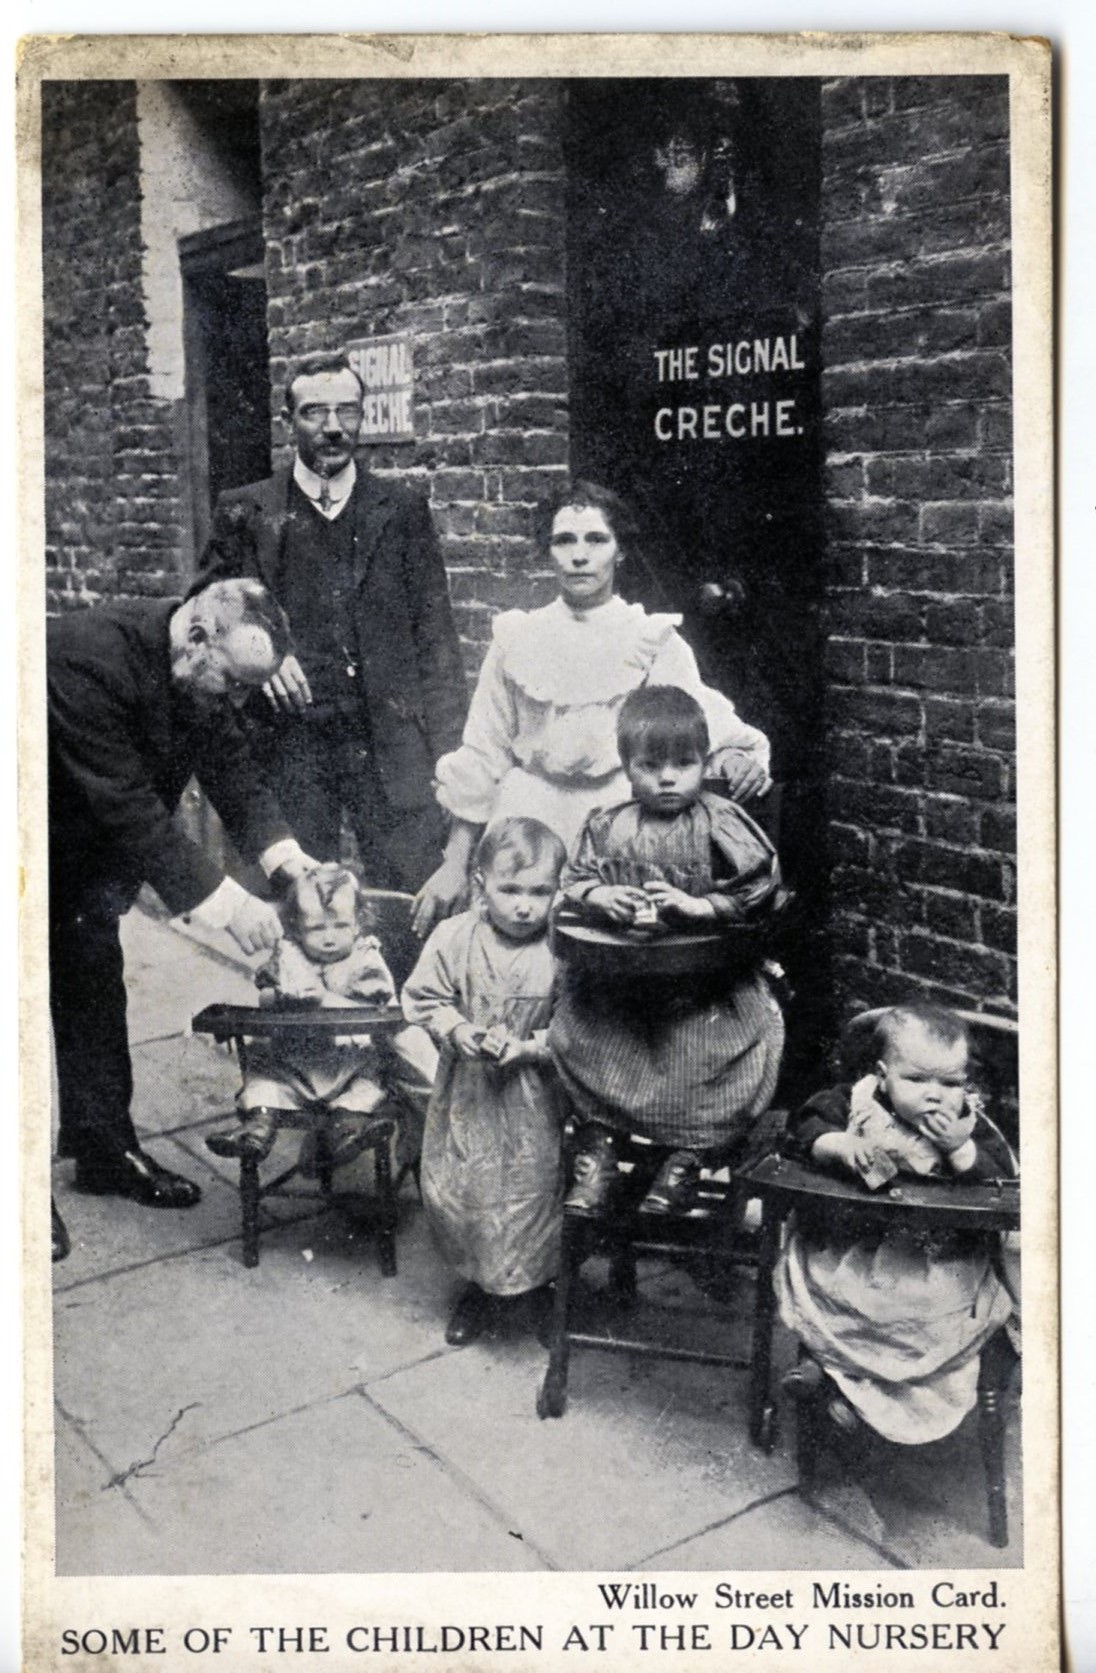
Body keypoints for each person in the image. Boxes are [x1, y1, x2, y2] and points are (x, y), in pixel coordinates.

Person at [48, 578, 315, 1256]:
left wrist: (289, 865)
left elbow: (232, 769)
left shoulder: (203, 673)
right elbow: (130, 808)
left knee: (90, 975)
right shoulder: (86, 660)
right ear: (197, 637)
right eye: (236, 684)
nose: (239, 703)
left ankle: (103, 1150)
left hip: (79, 849)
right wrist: (230, 906)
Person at [412, 478, 771, 936]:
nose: (579, 556)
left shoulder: (650, 640)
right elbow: (484, 752)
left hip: (620, 823)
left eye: (596, 540)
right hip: (529, 819)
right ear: (548, 551)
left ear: (620, 551)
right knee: (518, 946)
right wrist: (455, 863)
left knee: (607, 944)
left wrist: (733, 754)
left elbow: (698, 722)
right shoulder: (517, 639)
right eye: (564, 540)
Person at [195, 349, 467, 892]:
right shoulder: (245, 511)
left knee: (411, 897)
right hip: (289, 746)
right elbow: (201, 612)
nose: (334, 427)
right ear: (287, 422)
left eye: (348, 410)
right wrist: (264, 652)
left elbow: (436, 640)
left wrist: (451, 762)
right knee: (297, 904)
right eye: (315, 412)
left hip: (388, 748)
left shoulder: (401, 509)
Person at [548, 686, 786, 1217]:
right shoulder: (608, 824)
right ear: (626, 768)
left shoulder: (720, 821)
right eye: (650, 765)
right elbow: (575, 877)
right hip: (622, 991)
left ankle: (686, 1158)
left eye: (684, 763)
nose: (668, 778)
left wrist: (703, 906)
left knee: (708, 1055)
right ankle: (600, 1150)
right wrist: (599, 895)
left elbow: (762, 887)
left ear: (704, 761)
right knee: (584, 1033)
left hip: (705, 993)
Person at [774, 1002, 1018, 1443]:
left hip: (936, 1254)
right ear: (883, 1075)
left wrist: (960, 1151)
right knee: (848, 1302)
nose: (935, 1095)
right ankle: (829, 1371)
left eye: (950, 1083)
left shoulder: (968, 1125)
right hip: (854, 1244)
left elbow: (1001, 1181)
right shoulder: (852, 1103)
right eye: (917, 1080)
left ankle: (841, 1391)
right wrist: (837, 1145)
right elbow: (802, 1130)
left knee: (928, 1316)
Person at [401, 818, 567, 1348]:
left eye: (539, 892)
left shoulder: (564, 947)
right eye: (510, 890)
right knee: (465, 1189)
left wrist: (533, 1046)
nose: (524, 907)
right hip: (470, 1090)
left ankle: (538, 1289)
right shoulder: (456, 936)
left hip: (535, 1094)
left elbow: (581, 1022)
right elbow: (425, 996)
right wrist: (459, 1030)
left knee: (533, 1191)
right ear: (480, 885)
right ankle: (480, 1287)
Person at [206, 863, 436, 1176]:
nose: (329, 938)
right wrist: (281, 998)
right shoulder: (287, 955)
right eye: (316, 928)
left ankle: (347, 1130)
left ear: (358, 923)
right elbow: (264, 999)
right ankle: (257, 1130)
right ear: (296, 927)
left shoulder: (366, 959)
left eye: (340, 926)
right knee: (264, 1081)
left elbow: (381, 1014)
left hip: (350, 1063)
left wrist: (324, 999)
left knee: (370, 1086)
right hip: (293, 1064)